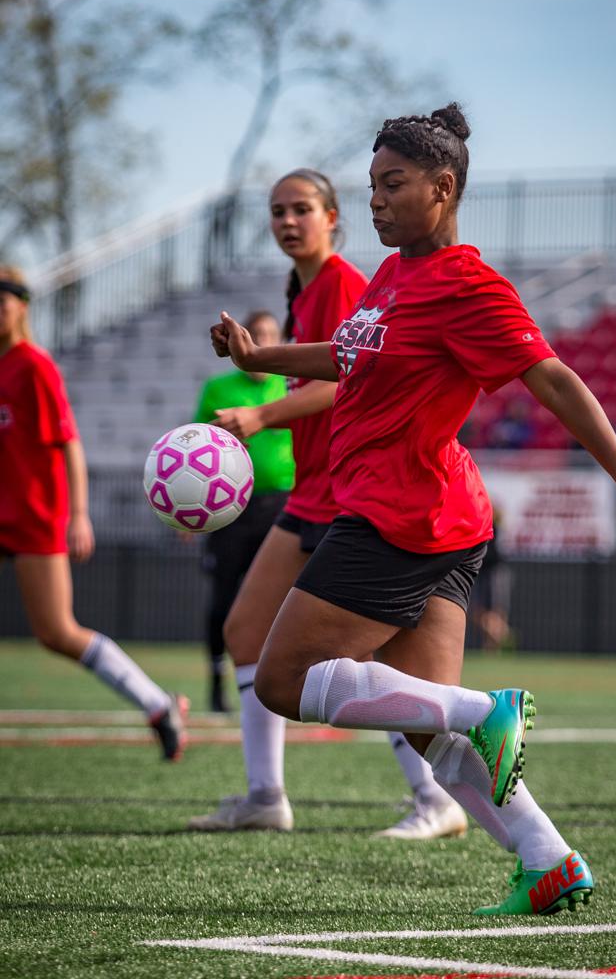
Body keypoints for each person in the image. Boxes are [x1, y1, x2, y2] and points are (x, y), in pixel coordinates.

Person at [209, 104, 616, 916]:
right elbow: (349, 356)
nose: (378, 202)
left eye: (393, 186)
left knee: (283, 679)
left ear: (444, 186)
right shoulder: (394, 276)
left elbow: (553, 377)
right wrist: (263, 357)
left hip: (401, 517)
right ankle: (549, 857)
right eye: (372, 187)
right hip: (439, 520)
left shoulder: (467, 283)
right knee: (431, 732)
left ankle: (485, 711)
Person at [189, 169, 467, 839]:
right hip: (312, 489)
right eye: (278, 210)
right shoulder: (306, 290)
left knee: (382, 665)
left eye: (302, 209)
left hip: (346, 493)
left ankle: (438, 799)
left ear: (333, 217)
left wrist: (264, 416)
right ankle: (265, 797)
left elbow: (351, 382)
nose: (288, 221)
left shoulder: (345, 283)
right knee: (244, 632)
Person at [0, 266, 188, 760]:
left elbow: (69, 443)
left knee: (57, 632)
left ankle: (156, 704)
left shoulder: (33, 366)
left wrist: (78, 514)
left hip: (34, 518)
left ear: (22, 306)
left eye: (8, 298)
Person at [194, 309, 295, 712]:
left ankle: (270, 686)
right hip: (230, 509)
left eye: (272, 334)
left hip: (283, 506)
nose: (265, 340)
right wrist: (194, 511)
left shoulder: (292, 387)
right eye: (258, 334)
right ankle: (218, 681)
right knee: (224, 597)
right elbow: (195, 451)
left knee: (279, 602)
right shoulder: (218, 388)